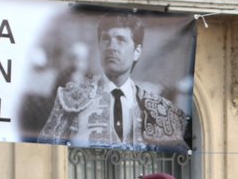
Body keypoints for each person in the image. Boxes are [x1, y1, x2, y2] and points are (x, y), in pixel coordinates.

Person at [39, 14, 188, 150]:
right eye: (106, 40)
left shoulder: (156, 107)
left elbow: (177, 160)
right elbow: (45, 153)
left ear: (137, 51)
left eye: (121, 40)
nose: (111, 47)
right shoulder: (72, 98)